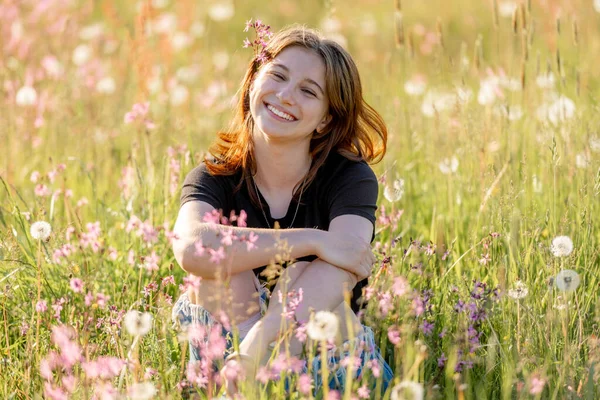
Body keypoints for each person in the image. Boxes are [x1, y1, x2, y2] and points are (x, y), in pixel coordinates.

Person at [171, 24, 393, 396]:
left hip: (335, 373)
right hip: (231, 361)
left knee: (311, 274)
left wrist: (261, 341)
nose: (286, 95)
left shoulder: (349, 176)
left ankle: (253, 365)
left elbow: (348, 260)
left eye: (308, 91)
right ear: (254, 81)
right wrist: (313, 240)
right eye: (277, 75)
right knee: (222, 273)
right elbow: (191, 247)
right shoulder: (216, 174)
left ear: (326, 119)